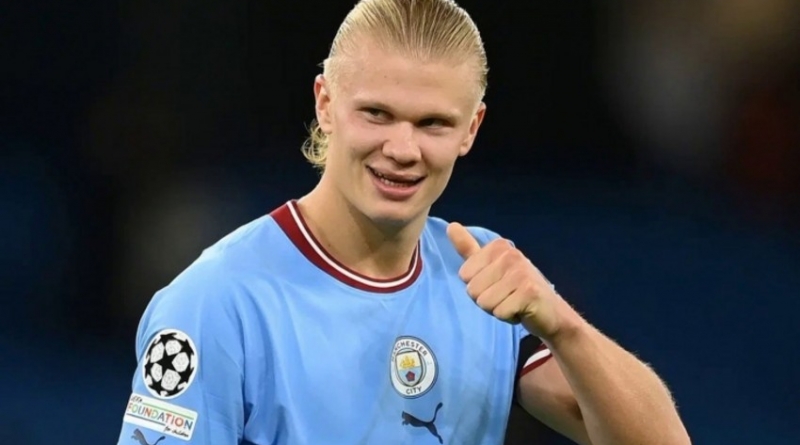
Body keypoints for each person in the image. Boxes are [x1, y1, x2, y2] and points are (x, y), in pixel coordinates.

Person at [115, 0, 691, 444]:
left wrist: (562, 326)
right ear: (324, 103)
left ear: (471, 130)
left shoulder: (481, 279)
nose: (402, 149)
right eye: (377, 113)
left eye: (433, 123)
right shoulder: (216, 301)